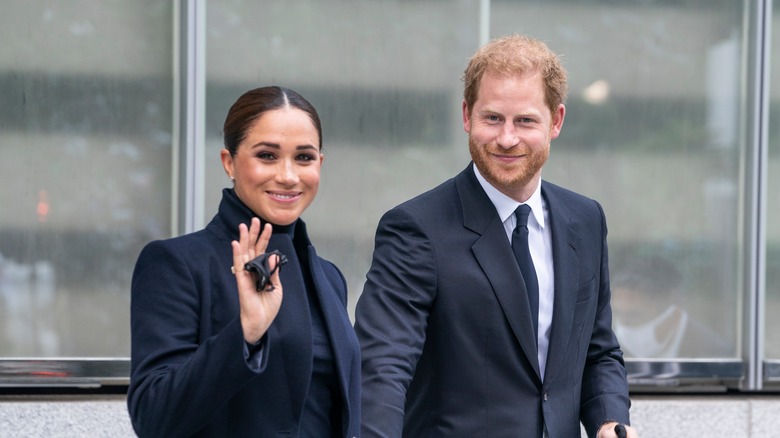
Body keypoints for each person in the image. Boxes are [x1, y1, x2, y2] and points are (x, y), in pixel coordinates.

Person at [355, 35, 638, 438]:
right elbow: (381, 366)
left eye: (525, 120)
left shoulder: (585, 219)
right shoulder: (415, 228)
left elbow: (598, 349)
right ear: (467, 115)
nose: (507, 139)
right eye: (492, 118)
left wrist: (610, 419)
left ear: (556, 121)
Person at [127, 86, 360, 437]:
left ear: (320, 165)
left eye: (304, 157)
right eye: (267, 155)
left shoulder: (329, 278)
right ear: (229, 162)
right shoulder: (176, 265)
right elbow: (153, 417)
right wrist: (246, 334)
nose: (288, 175)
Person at [611, 253, 733, 358]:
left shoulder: (715, 357)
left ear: (672, 314)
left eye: (633, 315)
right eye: (617, 313)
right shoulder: (611, 356)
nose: (623, 326)